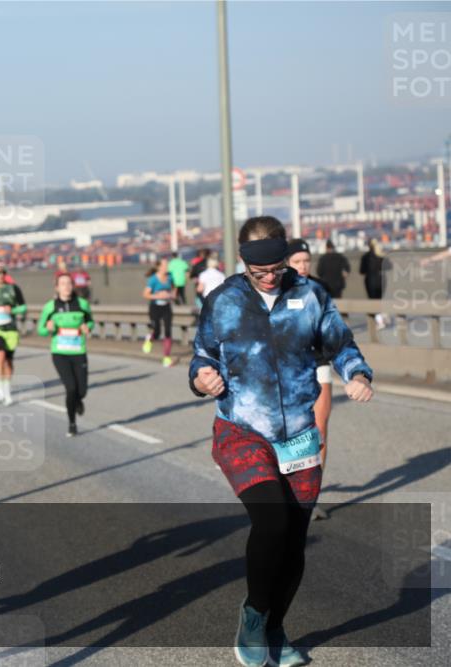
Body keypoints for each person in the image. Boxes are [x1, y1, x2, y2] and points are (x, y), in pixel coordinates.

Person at [189, 216, 373, 667]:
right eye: (261, 271)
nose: (271, 277)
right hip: (242, 430)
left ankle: (275, 628)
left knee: (293, 538)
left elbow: (341, 343)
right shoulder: (224, 301)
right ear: (243, 261)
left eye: (276, 268)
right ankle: (253, 616)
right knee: (271, 521)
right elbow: (201, 356)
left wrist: (357, 373)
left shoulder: (309, 294)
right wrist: (201, 378)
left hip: (299, 436)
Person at [287, 239, 333, 522]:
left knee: (320, 430)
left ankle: (311, 497)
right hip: (289, 369)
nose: (303, 266)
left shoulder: (319, 288)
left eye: (306, 261)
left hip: (319, 363)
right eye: (297, 262)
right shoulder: (277, 290)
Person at [37, 273, 94, 436]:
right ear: (57, 287)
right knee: (70, 387)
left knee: (81, 391)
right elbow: (40, 329)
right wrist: (47, 329)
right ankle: (72, 423)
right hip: (60, 353)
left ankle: (78, 400)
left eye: (69, 283)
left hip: (79, 352)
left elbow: (91, 321)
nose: (66, 287)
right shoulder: (50, 306)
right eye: (63, 284)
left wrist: (88, 328)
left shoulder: (82, 304)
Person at [0, 265, 27, 405]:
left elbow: (23, 307)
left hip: (10, 329)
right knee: (0, 355)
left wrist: (12, 309)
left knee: (8, 361)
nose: (1, 275)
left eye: (3, 272)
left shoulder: (13, 288)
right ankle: (1, 392)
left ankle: (7, 392)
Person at [142, 258, 175, 368]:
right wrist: (158, 296)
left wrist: (171, 295)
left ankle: (166, 357)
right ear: (159, 267)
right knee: (157, 331)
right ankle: (149, 339)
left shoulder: (170, 277)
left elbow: (174, 289)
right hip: (155, 307)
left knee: (168, 331)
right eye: (165, 265)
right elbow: (145, 294)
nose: (167, 267)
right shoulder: (153, 279)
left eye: (167, 265)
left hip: (166, 307)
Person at [360, 238, 388, 329]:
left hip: (370, 281)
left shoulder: (365, 257)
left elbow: (362, 271)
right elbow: (389, 266)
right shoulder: (381, 256)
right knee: (380, 300)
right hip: (382, 280)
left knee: (373, 301)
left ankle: (380, 321)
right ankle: (383, 316)